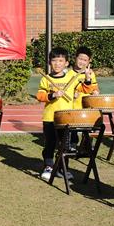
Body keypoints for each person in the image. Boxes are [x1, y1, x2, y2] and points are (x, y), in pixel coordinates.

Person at [36, 46, 83, 182]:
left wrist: (84, 82)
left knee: (65, 145)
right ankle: (48, 167)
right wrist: (52, 95)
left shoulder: (71, 77)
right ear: (50, 62)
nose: (57, 64)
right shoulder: (46, 79)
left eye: (61, 61)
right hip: (50, 117)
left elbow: (85, 88)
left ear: (66, 63)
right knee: (50, 143)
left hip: (66, 118)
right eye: (54, 61)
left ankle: (63, 168)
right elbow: (40, 96)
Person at [68, 46, 99, 153]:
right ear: (75, 58)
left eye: (85, 60)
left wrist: (95, 92)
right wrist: (73, 94)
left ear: (89, 61)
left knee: (88, 127)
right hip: (73, 106)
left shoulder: (90, 74)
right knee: (72, 128)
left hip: (86, 106)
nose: (82, 62)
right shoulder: (68, 74)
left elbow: (95, 88)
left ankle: (87, 144)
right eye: (80, 59)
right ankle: (72, 144)